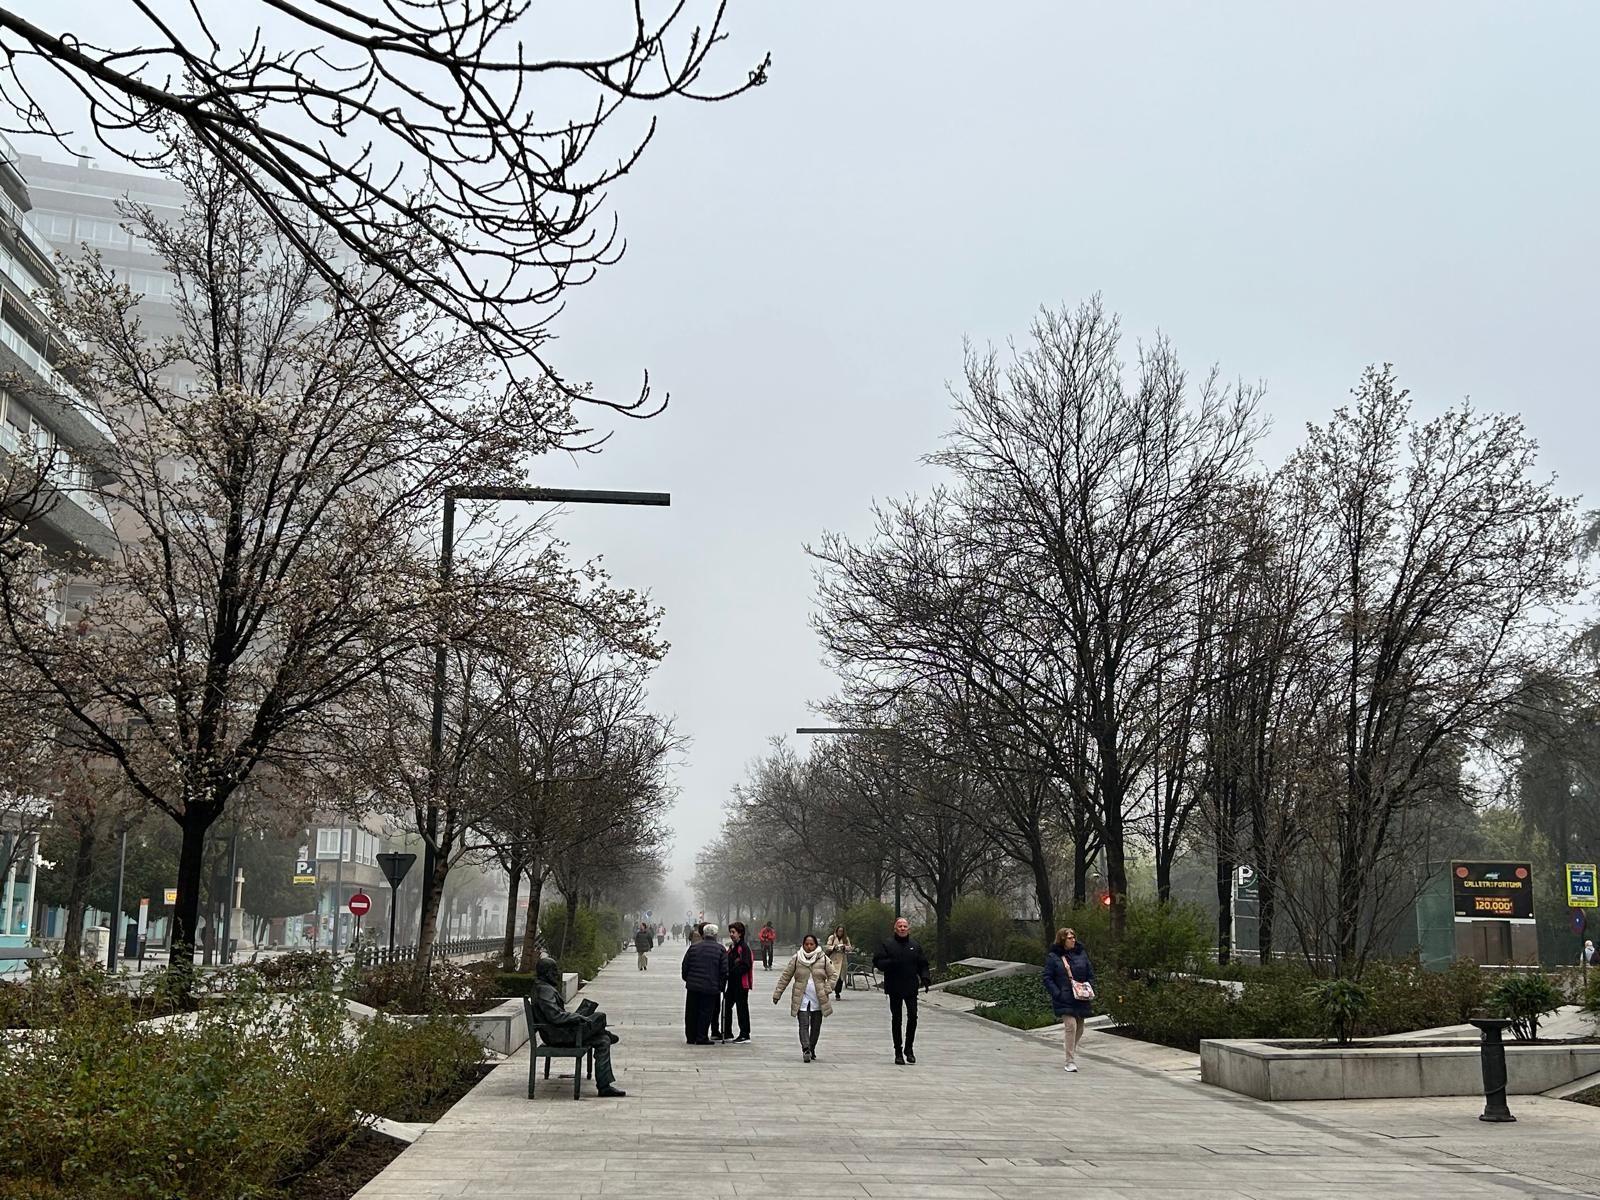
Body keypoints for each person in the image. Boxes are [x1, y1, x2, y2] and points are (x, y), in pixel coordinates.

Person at [530, 956, 626, 1097]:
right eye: (554, 971)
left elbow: (555, 1014)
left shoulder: (544, 988)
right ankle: (603, 1030)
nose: (557, 974)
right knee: (600, 1016)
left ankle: (604, 1086)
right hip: (558, 1036)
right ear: (546, 972)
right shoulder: (545, 990)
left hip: (558, 1032)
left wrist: (578, 1015)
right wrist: (577, 1017)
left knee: (603, 1041)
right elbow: (555, 1017)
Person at [872, 916, 930, 1065]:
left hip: (911, 986)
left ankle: (909, 1049)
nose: (903, 929)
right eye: (900, 926)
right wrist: (890, 963)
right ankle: (898, 1050)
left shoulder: (915, 945)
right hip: (894, 986)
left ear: (909, 929)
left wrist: (925, 977)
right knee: (896, 1019)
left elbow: (922, 964)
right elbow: (877, 961)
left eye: (905, 926)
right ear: (895, 929)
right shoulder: (888, 944)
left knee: (913, 1016)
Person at [772, 933, 835, 1062]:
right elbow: (786, 976)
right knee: (803, 1024)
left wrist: (827, 988)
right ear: (803, 945)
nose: (809, 947)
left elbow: (833, 975)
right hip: (802, 998)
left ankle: (812, 1047)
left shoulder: (823, 958)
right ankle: (805, 1048)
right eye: (806, 944)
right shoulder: (797, 958)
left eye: (811, 944)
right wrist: (778, 993)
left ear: (815, 945)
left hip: (818, 998)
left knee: (816, 1026)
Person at [1043, 926, 1095, 1072]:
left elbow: (1090, 972)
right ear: (1062, 940)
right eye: (1069, 938)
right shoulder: (1054, 957)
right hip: (1064, 996)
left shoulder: (1081, 954)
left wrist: (1089, 986)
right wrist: (1057, 993)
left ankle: (1069, 1047)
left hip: (1081, 996)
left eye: (1073, 937)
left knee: (1080, 1027)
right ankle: (1070, 1060)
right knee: (1070, 1025)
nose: (1073, 940)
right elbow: (1047, 977)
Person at [682, 921, 727, 1044]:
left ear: (703, 934)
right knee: (705, 1012)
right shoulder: (720, 949)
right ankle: (701, 1037)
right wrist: (721, 986)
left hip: (693, 986)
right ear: (716, 935)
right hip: (710, 987)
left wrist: (688, 979)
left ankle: (691, 1037)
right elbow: (724, 970)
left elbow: (685, 967)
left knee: (691, 1011)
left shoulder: (693, 948)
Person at [723, 921, 755, 1042]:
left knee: (742, 1008)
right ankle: (727, 1032)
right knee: (726, 1006)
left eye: (733, 932)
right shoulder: (733, 947)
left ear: (740, 933)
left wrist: (732, 972)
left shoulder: (743, 948)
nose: (731, 934)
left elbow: (746, 965)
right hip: (732, 983)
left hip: (741, 983)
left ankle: (745, 1033)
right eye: (730, 932)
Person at [825, 925, 852, 1000]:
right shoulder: (832, 938)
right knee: (833, 976)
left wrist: (844, 947)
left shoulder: (846, 939)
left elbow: (850, 948)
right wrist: (834, 947)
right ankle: (829, 990)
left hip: (843, 960)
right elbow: (827, 946)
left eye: (842, 931)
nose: (840, 932)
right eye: (839, 931)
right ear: (836, 931)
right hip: (834, 959)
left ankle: (837, 993)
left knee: (840, 978)